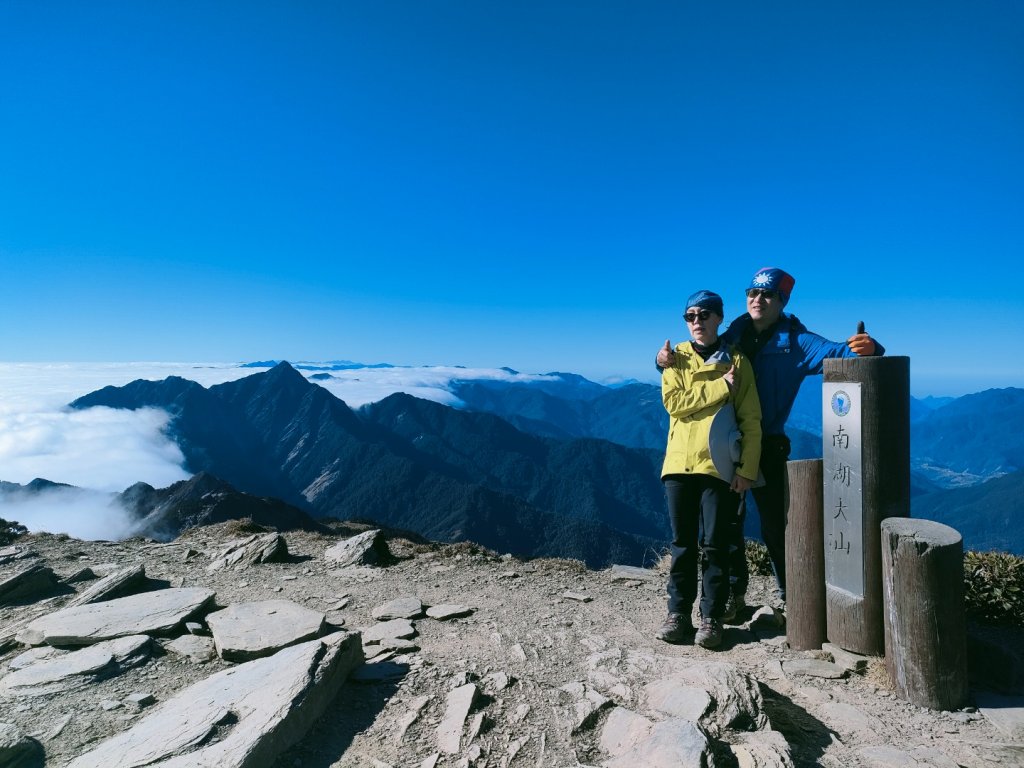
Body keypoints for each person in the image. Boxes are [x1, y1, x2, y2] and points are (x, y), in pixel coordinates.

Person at [656, 268, 883, 618]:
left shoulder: (798, 342)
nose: (757, 300)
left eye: (767, 295)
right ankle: (733, 595)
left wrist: (873, 348)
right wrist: (660, 362)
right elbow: (698, 352)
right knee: (727, 526)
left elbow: (842, 353)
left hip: (768, 443)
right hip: (725, 442)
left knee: (777, 526)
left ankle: (793, 597)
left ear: (782, 301)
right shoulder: (737, 332)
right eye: (752, 293)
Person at [656, 290, 762, 648]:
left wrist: (747, 469)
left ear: (719, 318)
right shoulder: (674, 358)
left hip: (719, 466)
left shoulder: (738, 361)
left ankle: (712, 618)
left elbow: (751, 419)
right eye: (690, 316)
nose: (696, 322)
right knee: (682, 544)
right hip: (679, 464)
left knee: (716, 545)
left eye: (704, 315)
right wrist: (720, 387)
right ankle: (678, 615)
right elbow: (674, 404)